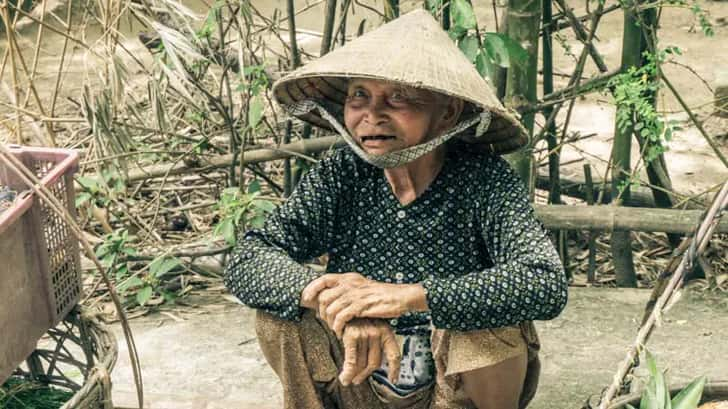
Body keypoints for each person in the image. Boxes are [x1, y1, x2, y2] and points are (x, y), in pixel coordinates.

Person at [224, 9, 568, 409]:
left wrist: (406, 297)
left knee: (486, 327)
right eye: (359, 96)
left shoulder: (484, 179)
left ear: (448, 113)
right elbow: (248, 258)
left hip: (452, 388)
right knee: (279, 315)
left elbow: (544, 281)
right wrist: (337, 306)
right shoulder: (342, 172)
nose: (372, 115)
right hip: (358, 376)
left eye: (399, 97)